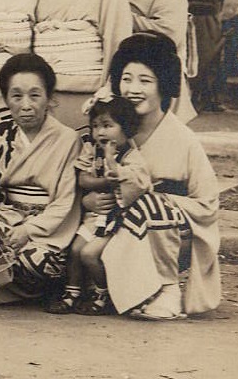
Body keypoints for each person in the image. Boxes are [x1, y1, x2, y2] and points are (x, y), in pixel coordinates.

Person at [92, 36, 222, 319]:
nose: (133, 90)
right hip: (113, 225)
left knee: (149, 205)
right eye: (126, 79)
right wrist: (92, 199)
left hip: (169, 235)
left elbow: (208, 203)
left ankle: (167, 289)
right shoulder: (108, 130)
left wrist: (158, 199)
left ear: (163, 84)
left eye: (145, 81)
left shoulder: (183, 139)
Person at [0, 53, 81, 306]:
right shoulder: (0, 133)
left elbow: (66, 203)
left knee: (35, 262)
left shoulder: (68, 140)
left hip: (45, 229)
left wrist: (28, 230)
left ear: (50, 99)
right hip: (7, 218)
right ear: (6, 99)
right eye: (16, 96)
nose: (25, 105)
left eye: (35, 95)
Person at [47, 96, 142, 315]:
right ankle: (72, 293)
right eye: (96, 126)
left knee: (89, 254)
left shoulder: (132, 157)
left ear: (126, 128)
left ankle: (101, 294)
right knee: (75, 250)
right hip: (95, 216)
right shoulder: (92, 151)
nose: (100, 132)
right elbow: (83, 180)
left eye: (108, 126)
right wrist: (102, 181)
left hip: (119, 219)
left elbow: (131, 184)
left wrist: (111, 163)